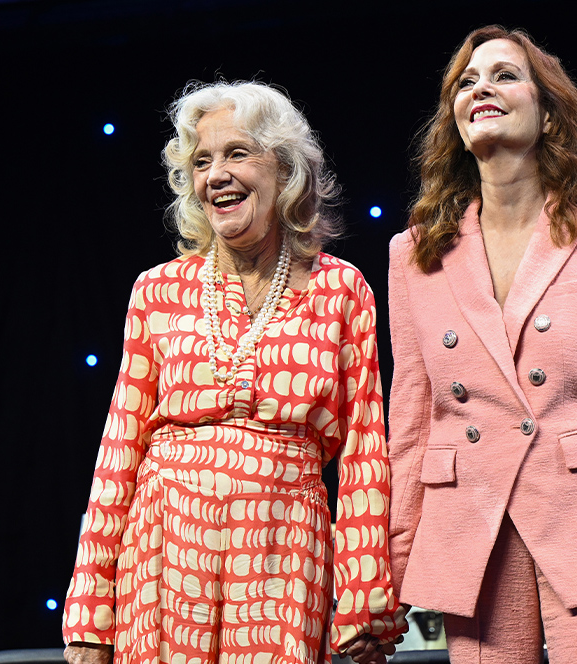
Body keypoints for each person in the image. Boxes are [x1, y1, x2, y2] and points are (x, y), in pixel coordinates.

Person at [62, 81, 406, 664]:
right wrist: (90, 616)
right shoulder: (158, 289)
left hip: (284, 552)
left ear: (285, 169)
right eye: (201, 161)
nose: (215, 174)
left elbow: (365, 451)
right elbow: (119, 449)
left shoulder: (342, 289)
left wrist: (364, 599)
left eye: (236, 153)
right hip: (165, 553)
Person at [387, 26, 577, 663]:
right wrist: (395, 567)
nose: (482, 88)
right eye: (466, 82)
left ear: (548, 107)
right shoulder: (414, 253)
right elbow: (413, 426)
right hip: (474, 538)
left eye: (504, 75)